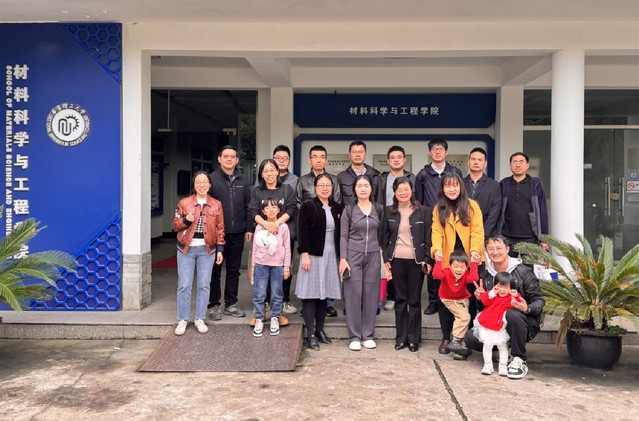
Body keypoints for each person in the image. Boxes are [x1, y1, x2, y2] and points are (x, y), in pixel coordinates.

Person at [464, 235, 545, 380]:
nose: (495, 252)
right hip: (496, 324)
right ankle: (503, 351)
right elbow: (483, 308)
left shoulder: (524, 272)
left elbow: (539, 300)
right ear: (486, 251)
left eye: (499, 248)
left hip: (520, 322)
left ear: (507, 249)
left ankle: (519, 359)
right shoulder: (486, 275)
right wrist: (480, 298)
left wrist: (526, 308)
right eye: (491, 249)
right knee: (470, 338)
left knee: (512, 314)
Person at [431, 172, 484, 356]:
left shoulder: (472, 206)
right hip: (448, 261)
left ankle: (464, 339)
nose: (452, 189)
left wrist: (476, 250)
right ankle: (446, 338)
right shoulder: (438, 208)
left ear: (461, 187)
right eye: (447, 186)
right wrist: (436, 250)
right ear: (442, 189)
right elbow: (436, 232)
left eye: (455, 185)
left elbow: (477, 231)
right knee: (445, 299)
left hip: (469, 259)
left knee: (469, 300)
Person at [381, 177, 432, 352]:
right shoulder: (389, 212)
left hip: (416, 261)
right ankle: (401, 337)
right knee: (400, 300)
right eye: (399, 190)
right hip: (396, 260)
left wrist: (427, 259)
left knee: (415, 300)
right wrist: (386, 260)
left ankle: (414, 339)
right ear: (395, 192)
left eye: (406, 189)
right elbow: (384, 237)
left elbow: (428, 237)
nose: (403, 192)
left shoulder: (423, 211)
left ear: (412, 191)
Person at [172, 171, 225, 336]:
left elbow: (220, 229)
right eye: (198, 182)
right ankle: (182, 319)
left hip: (207, 249)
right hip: (186, 249)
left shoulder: (216, 204)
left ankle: (200, 318)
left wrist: (220, 250)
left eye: (205, 182)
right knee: (184, 285)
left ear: (210, 185)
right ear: (194, 185)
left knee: (204, 285)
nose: (202, 185)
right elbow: (175, 225)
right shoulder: (184, 203)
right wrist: (185, 220)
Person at [414, 138, 463, 315]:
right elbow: (418, 200)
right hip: (431, 221)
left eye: (441, 149)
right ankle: (434, 300)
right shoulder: (423, 175)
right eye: (434, 149)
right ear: (429, 153)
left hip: (452, 221)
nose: (437, 151)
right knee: (434, 259)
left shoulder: (455, 172)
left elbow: (460, 195)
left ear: (446, 152)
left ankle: (453, 297)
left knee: (453, 259)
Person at [296, 173, 344, 350]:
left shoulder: (337, 208)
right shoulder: (308, 206)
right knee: (311, 295)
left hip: (330, 255)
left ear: (332, 188)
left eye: (328, 185)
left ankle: (320, 330)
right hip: (313, 255)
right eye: (321, 185)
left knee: (324, 294)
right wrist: (304, 254)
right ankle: (310, 333)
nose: (325, 188)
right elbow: (302, 231)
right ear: (315, 188)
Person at [248, 158, 297, 327]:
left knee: (280, 278)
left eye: (272, 170)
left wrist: (277, 223)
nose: (269, 174)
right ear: (261, 174)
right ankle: (260, 312)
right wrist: (266, 224)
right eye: (265, 171)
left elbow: (291, 208)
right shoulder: (257, 191)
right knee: (261, 280)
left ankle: (278, 312)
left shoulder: (287, 189)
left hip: (282, 236)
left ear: (277, 171)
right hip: (263, 238)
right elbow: (253, 211)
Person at [339, 175, 384, 351]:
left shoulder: (378, 209)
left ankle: (368, 335)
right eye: (359, 186)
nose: (363, 189)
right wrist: (343, 258)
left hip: (373, 255)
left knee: (371, 295)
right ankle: (354, 336)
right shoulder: (349, 210)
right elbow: (343, 236)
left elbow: (382, 234)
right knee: (353, 295)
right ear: (355, 189)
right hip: (353, 255)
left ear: (371, 188)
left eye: (366, 185)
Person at [296, 144, 342, 317]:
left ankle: (328, 304)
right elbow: (298, 201)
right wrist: (311, 215)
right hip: (311, 227)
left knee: (329, 268)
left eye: (322, 156)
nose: (318, 160)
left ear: (326, 160)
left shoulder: (334, 179)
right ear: (310, 160)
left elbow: (337, 201)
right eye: (315, 156)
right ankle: (308, 304)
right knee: (311, 271)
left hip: (329, 227)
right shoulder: (302, 180)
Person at [207, 145, 252, 320]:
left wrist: (248, 228)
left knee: (234, 270)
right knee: (215, 270)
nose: (229, 159)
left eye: (232, 156)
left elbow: (248, 206)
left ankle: (231, 303)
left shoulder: (243, 180)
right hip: (216, 233)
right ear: (219, 159)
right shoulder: (211, 179)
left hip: (238, 232)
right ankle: (214, 305)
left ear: (237, 160)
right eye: (225, 156)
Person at [379, 146, 416, 312]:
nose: (396, 160)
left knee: (405, 260)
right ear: (388, 161)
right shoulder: (381, 179)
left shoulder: (412, 178)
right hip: (387, 220)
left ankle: (407, 297)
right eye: (392, 157)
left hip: (406, 220)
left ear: (404, 160)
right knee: (389, 258)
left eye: (399, 157)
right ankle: (392, 296)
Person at [250, 198, 291, 337]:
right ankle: (259, 318)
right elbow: (255, 248)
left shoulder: (283, 227)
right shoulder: (259, 227)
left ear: (279, 210)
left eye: (274, 207)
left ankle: (275, 318)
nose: (271, 210)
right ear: (263, 212)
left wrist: (286, 267)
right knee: (259, 294)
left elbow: (287, 248)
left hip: (278, 266)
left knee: (277, 294)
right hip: (261, 264)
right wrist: (253, 267)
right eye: (267, 208)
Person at [472, 271, 524, 376]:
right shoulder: (493, 295)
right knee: (487, 344)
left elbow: (517, 303)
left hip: (500, 326)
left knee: (502, 346)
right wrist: (491, 293)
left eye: (506, 287)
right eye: (500, 286)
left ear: (511, 288)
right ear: (495, 285)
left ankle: (503, 366)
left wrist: (516, 295)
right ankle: (488, 365)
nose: (503, 290)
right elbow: (484, 300)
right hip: (487, 324)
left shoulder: (510, 298)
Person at [497, 152, 549, 254]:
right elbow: (497, 210)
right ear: (510, 165)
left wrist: (544, 237)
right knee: (507, 264)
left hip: (531, 237)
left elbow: (542, 210)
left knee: (531, 264)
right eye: (515, 162)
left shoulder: (535, 184)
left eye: (521, 162)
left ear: (527, 165)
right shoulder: (504, 184)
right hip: (507, 237)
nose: (518, 165)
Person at [432, 250, 479, 356]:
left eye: (462, 267)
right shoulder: (446, 272)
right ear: (449, 266)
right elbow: (436, 275)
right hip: (448, 299)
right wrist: (438, 261)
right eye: (455, 266)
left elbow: (474, 278)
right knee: (464, 317)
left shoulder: (465, 274)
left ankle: (461, 344)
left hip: (462, 299)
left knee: (462, 320)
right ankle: (456, 341)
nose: (458, 270)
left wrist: (473, 263)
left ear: (466, 268)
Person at [272, 145, 299, 314]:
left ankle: (285, 300)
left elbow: (295, 205)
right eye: (278, 158)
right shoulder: (265, 177)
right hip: (268, 229)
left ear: (289, 160)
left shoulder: (295, 180)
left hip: (288, 228)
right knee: (267, 264)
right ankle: (268, 300)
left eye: (285, 158)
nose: (281, 161)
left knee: (286, 264)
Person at [463, 147, 501, 238]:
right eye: (473, 159)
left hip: (485, 234)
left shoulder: (494, 185)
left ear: (485, 164)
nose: (476, 162)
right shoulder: (460, 183)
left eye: (480, 160)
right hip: (463, 232)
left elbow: (494, 212)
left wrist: (484, 234)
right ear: (468, 162)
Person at [337, 140, 381, 207]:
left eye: (360, 152)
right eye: (354, 152)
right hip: (349, 213)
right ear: (349, 155)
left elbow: (379, 201)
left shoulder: (375, 175)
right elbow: (338, 203)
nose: (357, 155)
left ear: (365, 154)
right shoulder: (341, 177)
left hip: (370, 213)